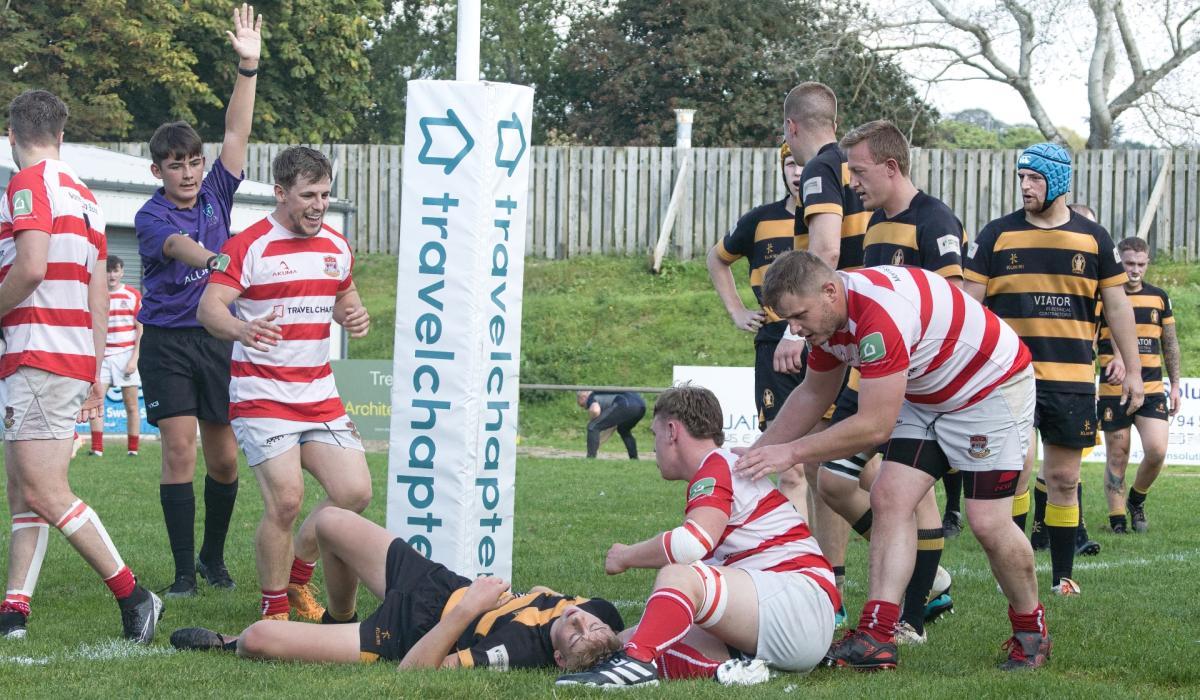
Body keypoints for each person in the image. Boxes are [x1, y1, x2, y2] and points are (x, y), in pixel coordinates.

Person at [736, 251, 1049, 672]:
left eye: (798, 316)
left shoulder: (879, 315)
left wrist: (789, 452)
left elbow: (874, 425)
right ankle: (877, 635)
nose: (794, 329)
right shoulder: (828, 318)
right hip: (928, 393)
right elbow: (813, 393)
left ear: (830, 291)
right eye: (787, 319)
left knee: (987, 522)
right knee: (889, 496)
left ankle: (1032, 632)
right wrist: (758, 453)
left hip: (987, 390)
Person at [0, 89, 161, 642]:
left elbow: (30, 269)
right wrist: (93, 369)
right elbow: (97, 293)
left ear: (12, 134)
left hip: (38, 353)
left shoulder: (28, 183)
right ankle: (14, 611)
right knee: (24, 488)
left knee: (44, 490)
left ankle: (135, 595)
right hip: (64, 355)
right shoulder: (86, 196)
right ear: (62, 135)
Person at [556, 384, 837, 688]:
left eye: (654, 434)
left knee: (679, 575)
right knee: (651, 634)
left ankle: (635, 665)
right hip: (792, 615)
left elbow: (690, 544)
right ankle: (731, 669)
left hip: (798, 605)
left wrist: (625, 556)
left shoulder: (716, 466)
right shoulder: (721, 465)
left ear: (672, 431)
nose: (654, 448)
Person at [197, 146, 372, 621]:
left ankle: (297, 578)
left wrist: (353, 314)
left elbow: (345, 297)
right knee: (287, 500)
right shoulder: (249, 245)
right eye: (308, 195)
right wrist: (242, 329)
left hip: (319, 394)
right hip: (262, 395)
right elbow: (209, 309)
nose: (319, 205)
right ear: (280, 192)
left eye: (325, 195)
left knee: (354, 493)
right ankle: (274, 609)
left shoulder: (336, 245)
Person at [963, 143, 1143, 596]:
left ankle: (1063, 577)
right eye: (1022, 177)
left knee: (1064, 479)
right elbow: (968, 307)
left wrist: (1134, 370)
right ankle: (1013, 572)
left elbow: (1118, 307)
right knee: (1017, 475)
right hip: (1008, 379)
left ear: (1059, 181)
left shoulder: (1094, 238)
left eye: (1035, 179)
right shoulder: (997, 234)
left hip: (1071, 380)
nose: (1025, 186)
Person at [134, 3, 262, 598]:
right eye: (174, 165)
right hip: (167, 344)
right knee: (179, 452)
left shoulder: (216, 192)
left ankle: (213, 558)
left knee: (226, 462)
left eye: (192, 163)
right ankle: (183, 572)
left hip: (217, 339)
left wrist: (247, 67)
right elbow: (177, 247)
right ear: (156, 169)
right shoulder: (150, 215)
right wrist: (215, 260)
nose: (186, 173)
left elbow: (236, 132)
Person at [169, 507, 624, 670]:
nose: (581, 620)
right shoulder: (603, 614)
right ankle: (338, 618)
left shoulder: (517, 651)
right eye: (593, 624)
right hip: (437, 582)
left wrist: (468, 610)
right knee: (329, 522)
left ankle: (227, 644)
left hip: (410, 629)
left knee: (257, 638)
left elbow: (416, 670)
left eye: (576, 635)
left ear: (559, 658)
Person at [836, 119, 967, 643]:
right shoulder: (874, 224)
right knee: (833, 481)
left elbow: (954, 306)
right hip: (875, 377)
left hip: (920, 388)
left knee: (912, 497)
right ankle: (925, 573)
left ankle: (912, 617)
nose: (852, 183)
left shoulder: (934, 220)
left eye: (860, 171)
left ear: (891, 167)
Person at [780, 81, 873, 613]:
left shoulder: (820, 169)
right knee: (862, 463)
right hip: (874, 321)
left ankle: (910, 575)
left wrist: (798, 325)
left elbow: (826, 248)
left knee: (831, 463)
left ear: (791, 127)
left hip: (846, 328)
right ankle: (913, 574)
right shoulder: (856, 166)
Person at [1098, 237, 1181, 534]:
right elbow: (1089, 338)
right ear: (1119, 262)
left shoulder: (1159, 297)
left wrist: (1175, 384)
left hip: (1152, 387)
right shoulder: (1103, 296)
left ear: (1147, 264)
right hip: (1114, 388)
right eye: (1129, 263)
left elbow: (1170, 343)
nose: (1134, 270)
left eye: (1140, 264)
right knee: (1118, 454)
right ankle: (1117, 520)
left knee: (1157, 450)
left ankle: (1136, 499)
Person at [87, 255, 143, 457]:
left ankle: (132, 450)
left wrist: (134, 358)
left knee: (131, 405)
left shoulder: (132, 295)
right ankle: (96, 449)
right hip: (102, 356)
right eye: (108, 271)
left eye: (115, 271)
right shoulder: (95, 294)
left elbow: (140, 328)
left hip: (126, 354)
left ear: (122, 272)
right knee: (96, 400)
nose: (111, 275)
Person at [577, 390, 645, 459]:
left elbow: (595, 410)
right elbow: (612, 427)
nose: (585, 408)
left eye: (582, 406)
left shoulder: (591, 396)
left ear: (583, 397)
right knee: (623, 430)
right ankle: (634, 458)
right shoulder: (606, 396)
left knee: (593, 426)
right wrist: (595, 443)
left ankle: (590, 459)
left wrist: (592, 421)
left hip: (625, 404)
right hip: (641, 406)